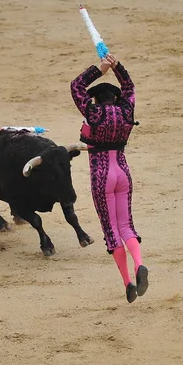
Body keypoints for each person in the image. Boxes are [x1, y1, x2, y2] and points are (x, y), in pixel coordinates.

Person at [70, 53, 149, 304]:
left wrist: (100, 69)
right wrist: (117, 68)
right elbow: (130, 87)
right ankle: (139, 264)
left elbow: (76, 86)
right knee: (126, 226)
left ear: (95, 98)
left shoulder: (93, 114)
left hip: (102, 175)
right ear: (116, 97)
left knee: (111, 231)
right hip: (122, 172)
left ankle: (127, 282)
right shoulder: (126, 110)